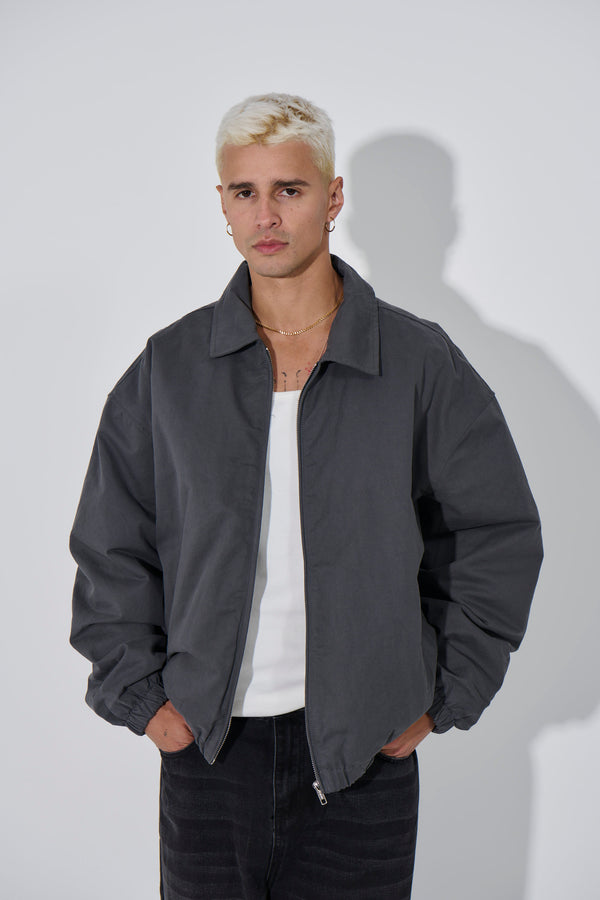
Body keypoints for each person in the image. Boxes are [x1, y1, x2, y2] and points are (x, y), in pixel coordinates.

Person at [69, 93, 543, 900]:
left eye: (288, 189)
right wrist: (146, 701)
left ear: (332, 196)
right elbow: (113, 543)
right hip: (208, 751)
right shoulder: (170, 368)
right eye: (244, 192)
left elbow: (494, 532)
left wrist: (444, 694)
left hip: (364, 758)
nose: (266, 215)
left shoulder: (418, 362)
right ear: (222, 204)